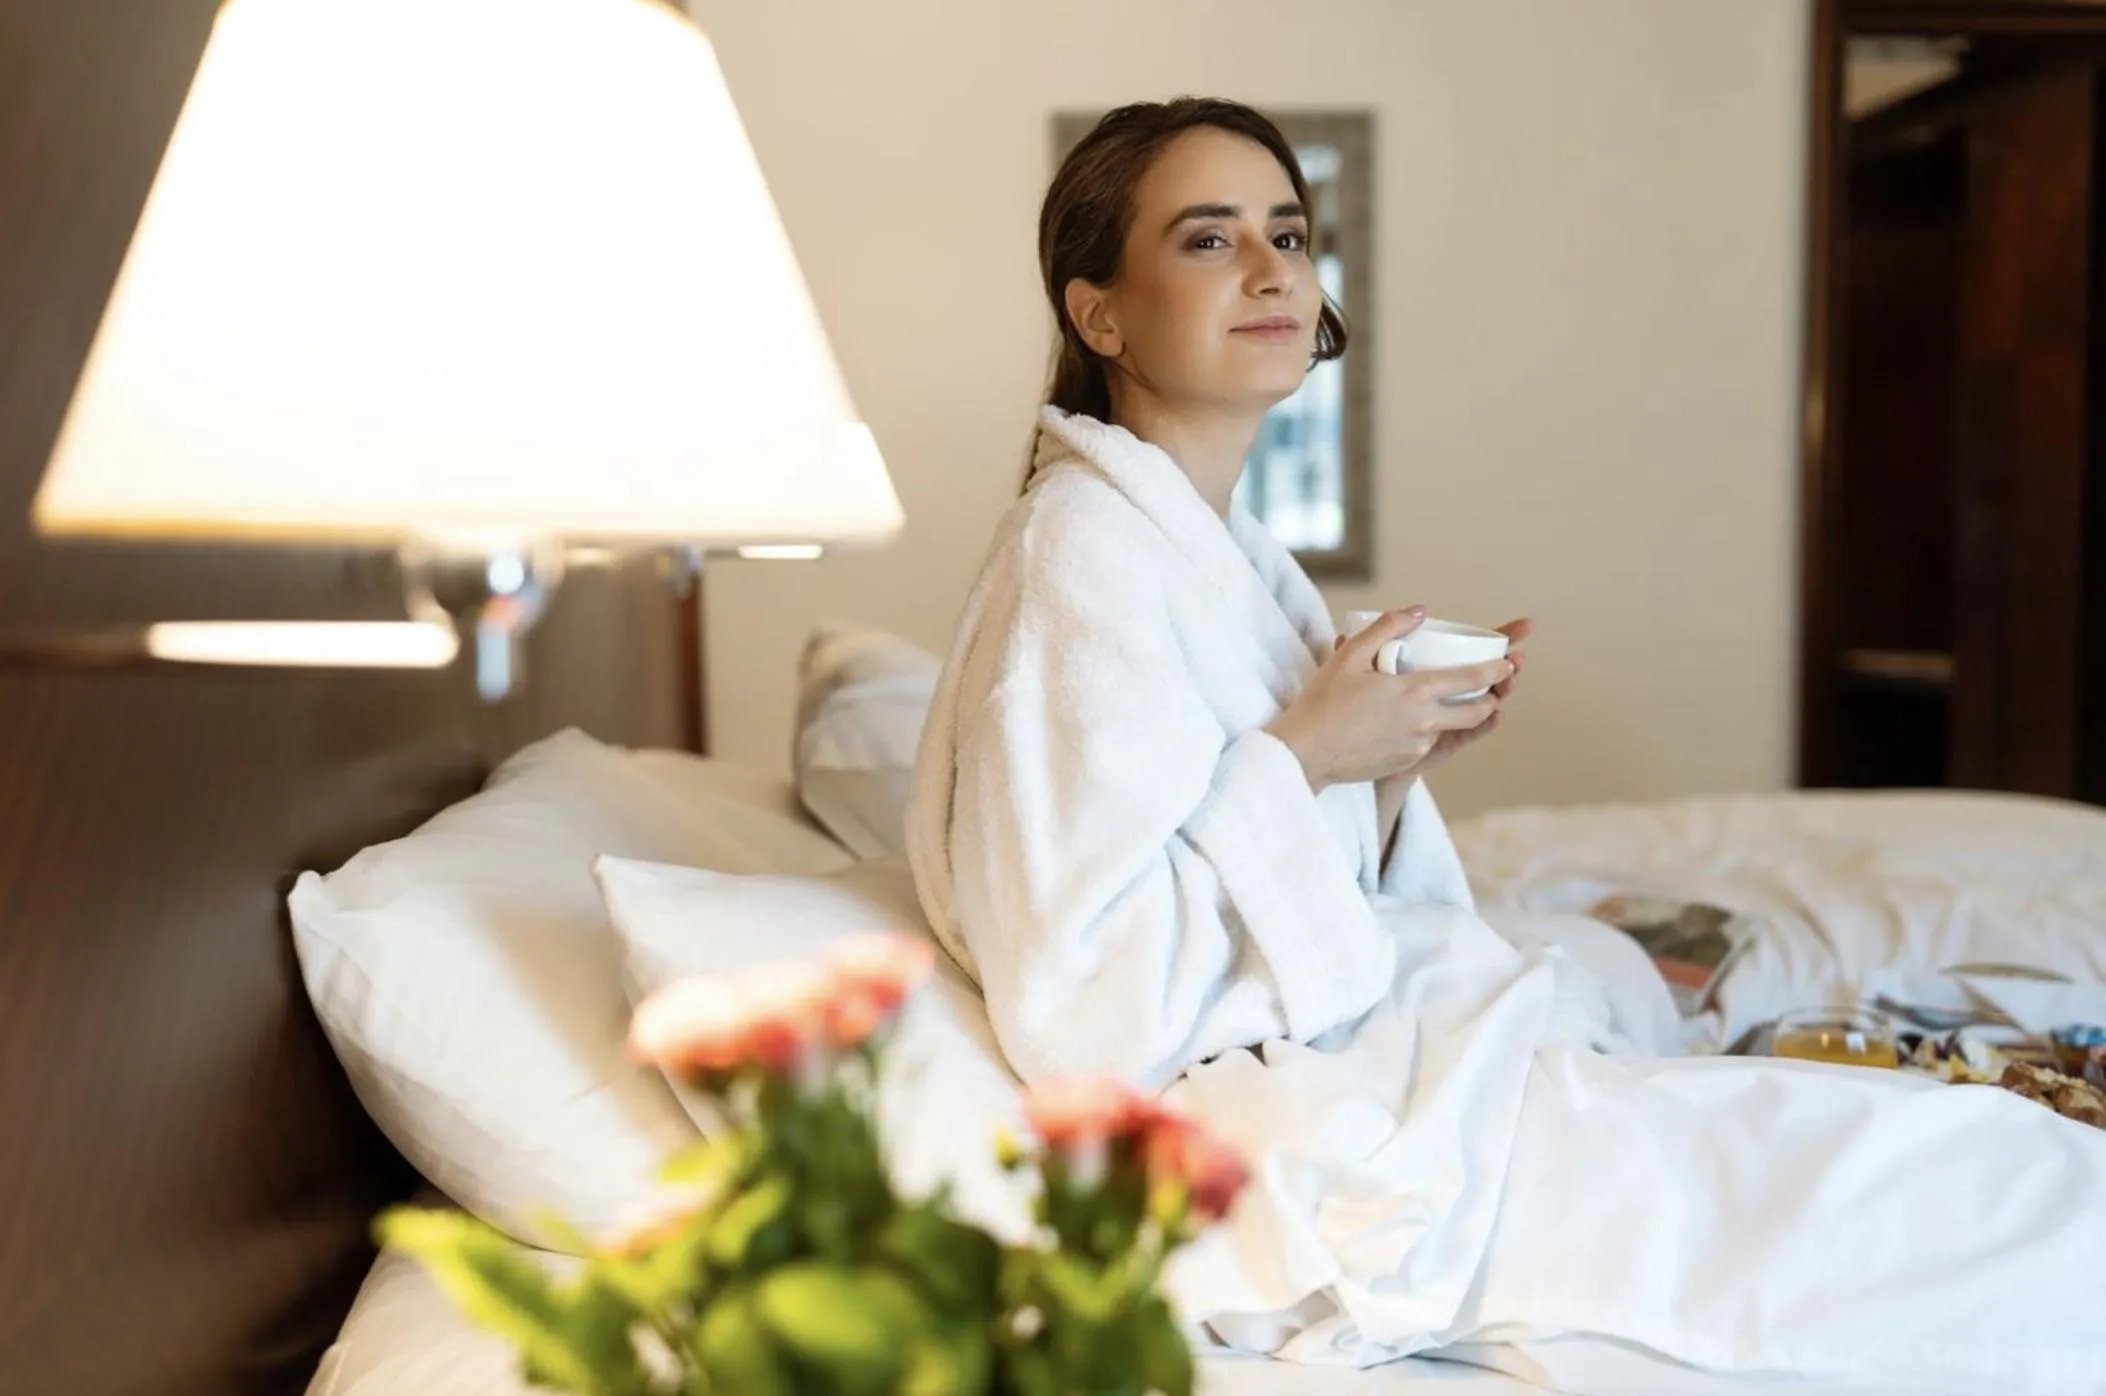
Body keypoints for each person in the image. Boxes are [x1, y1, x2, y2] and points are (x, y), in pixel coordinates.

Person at [903, 97, 2106, 1396]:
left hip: (1375, 1055)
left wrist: (1385, 754)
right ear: (1099, 314)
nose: (1270, 272)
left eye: (1288, 234)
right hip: (1316, 1140)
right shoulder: (1081, 557)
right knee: (1991, 1199)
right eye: (1207, 240)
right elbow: (1085, 1004)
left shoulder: (1199, 548)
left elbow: (1242, 872)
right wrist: (1308, 753)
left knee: (1757, 1054)